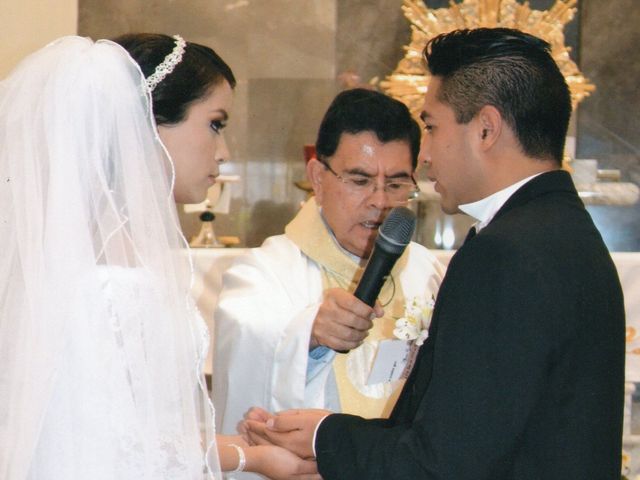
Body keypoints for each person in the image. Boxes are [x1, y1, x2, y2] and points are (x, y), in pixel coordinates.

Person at [243, 28, 626, 479]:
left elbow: (443, 465)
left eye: (431, 126)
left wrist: (324, 437)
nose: (424, 155)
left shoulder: (504, 254)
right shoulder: (568, 231)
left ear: (485, 129)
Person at [0, 33, 317, 480]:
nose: (223, 152)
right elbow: (121, 448)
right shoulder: (115, 275)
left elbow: (134, 429)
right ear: (148, 123)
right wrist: (251, 457)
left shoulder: (89, 251)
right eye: (215, 123)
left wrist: (240, 445)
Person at [213, 88, 444, 442]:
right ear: (318, 178)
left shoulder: (427, 272)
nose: (380, 201)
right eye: (360, 181)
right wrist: (309, 332)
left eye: (396, 184)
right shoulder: (263, 272)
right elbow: (246, 339)